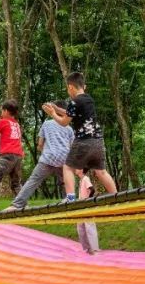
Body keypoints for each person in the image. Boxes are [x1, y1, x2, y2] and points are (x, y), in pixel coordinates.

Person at [41, 72, 117, 202]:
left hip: (83, 141)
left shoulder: (74, 102)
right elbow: (72, 113)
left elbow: (65, 122)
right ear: (84, 86)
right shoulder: (89, 100)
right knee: (101, 172)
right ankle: (117, 197)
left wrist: (53, 113)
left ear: (70, 87)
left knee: (67, 167)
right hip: (97, 141)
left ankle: (70, 198)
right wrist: (57, 109)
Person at [8, 100, 73, 211]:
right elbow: (72, 146)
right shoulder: (69, 129)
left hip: (48, 157)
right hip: (64, 158)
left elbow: (40, 144)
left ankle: (17, 204)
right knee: (65, 181)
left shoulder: (46, 124)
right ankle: (69, 203)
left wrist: (45, 151)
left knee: (34, 180)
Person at [74, 168, 99, 254]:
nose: (75, 169)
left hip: (86, 206)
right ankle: (87, 248)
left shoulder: (85, 179)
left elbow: (92, 189)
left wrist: (88, 201)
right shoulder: (81, 181)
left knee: (89, 226)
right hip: (81, 207)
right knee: (80, 227)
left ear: (81, 169)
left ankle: (95, 249)